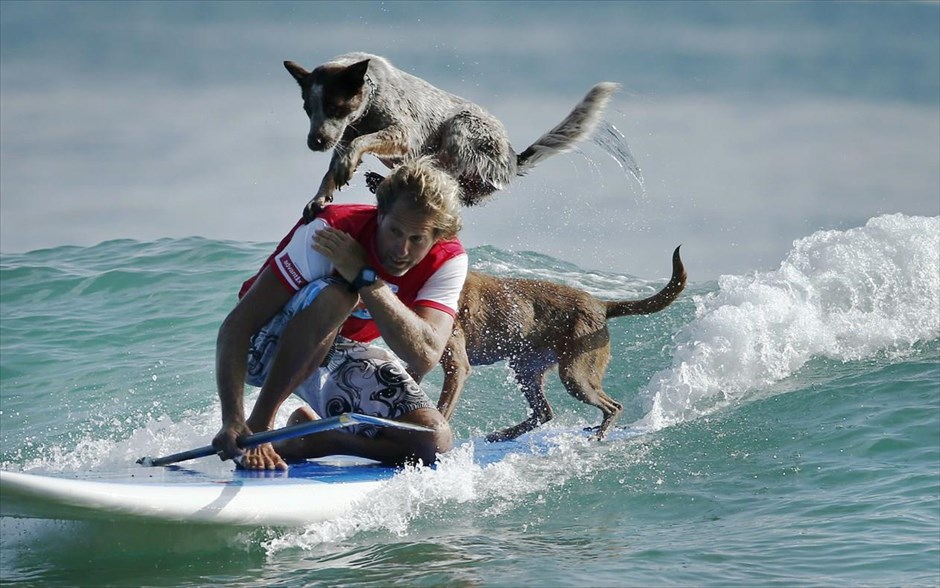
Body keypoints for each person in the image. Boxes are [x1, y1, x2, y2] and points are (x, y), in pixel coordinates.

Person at [212, 157, 467, 470]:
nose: (401, 250)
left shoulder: (448, 262)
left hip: (335, 349)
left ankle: (319, 439)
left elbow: (424, 354)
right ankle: (260, 426)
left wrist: (365, 277)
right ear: (380, 215)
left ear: (437, 237)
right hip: (263, 347)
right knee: (340, 294)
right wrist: (233, 419)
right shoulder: (331, 231)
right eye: (394, 231)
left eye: (417, 239)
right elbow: (237, 326)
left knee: (431, 440)